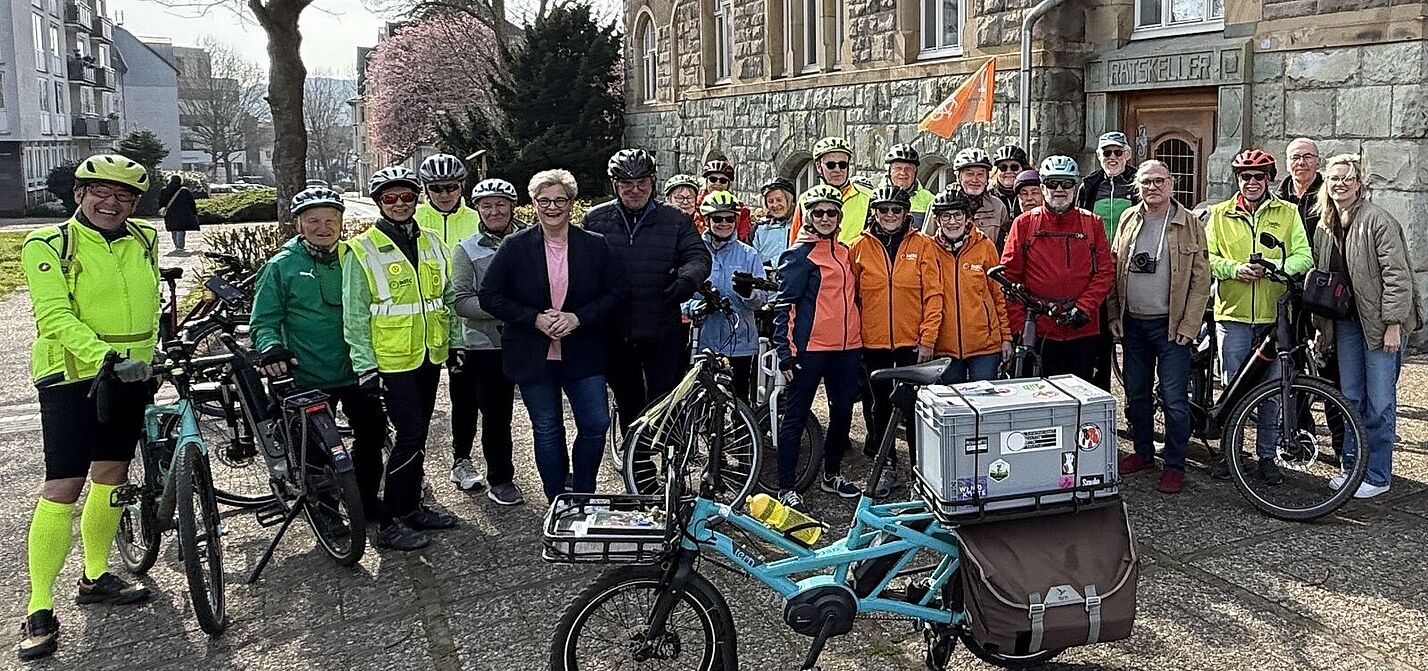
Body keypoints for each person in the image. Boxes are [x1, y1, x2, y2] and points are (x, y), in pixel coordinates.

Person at [16, 154, 158, 661]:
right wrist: (107, 358)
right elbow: (54, 316)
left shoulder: (145, 238)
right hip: (72, 376)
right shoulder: (49, 243)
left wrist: (148, 358)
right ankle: (38, 606)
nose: (111, 202)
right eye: (100, 191)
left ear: (135, 204)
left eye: (123, 195)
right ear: (78, 195)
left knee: (113, 474)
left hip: (131, 376)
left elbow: (149, 305)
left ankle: (95, 576)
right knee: (63, 484)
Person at [479, 170, 627, 500]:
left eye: (560, 200)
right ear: (533, 204)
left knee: (596, 423)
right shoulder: (515, 246)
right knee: (547, 430)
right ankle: (557, 499)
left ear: (571, 204)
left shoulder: (595, 245)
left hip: (583, 351)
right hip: (534, 354)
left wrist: (578, 317)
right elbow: (490, 295)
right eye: (544, 201)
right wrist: (533, 319)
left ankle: (584, 495)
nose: (552, 207)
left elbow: (617, 293)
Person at [250, 187, 390, 519]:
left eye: (331, 220)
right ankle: (325, 513)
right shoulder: (281, 266)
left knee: (372, 434)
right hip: (305, 373)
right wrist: (271, 348)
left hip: (355, 368)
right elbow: (265, 320)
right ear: (299, 224)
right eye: (313, 220)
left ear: (342, 222)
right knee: (312, 450)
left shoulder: (355, 257)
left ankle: (365, 499)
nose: (323, 228)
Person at [342, 166, 462, 551]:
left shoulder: (430, 242)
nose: (399, 204)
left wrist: (454, 344)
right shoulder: (361, 249)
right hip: (389, 361)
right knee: (408, 435)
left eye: (406, 197)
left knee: (419, 434)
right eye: (390, 198)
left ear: (416, 200)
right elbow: (355, 314)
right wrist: (365, 367)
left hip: (428, 355)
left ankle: (411, 508)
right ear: (378, 202)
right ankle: (391, 521)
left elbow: (445, 298)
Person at [1311, 154, 1422, 499]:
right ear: (1325, 184)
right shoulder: (1325, 224)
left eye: (1347, 178)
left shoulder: (1378, 221)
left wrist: (1393, 325)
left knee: (1380, 403)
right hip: (1347, 325)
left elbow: (1398, 277)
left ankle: (1377, 473)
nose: (1340, 184)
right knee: (1351, 399)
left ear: (1359, 183)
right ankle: (1352, 468)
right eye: (1333, 178)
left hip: (1379, 326)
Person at [1204, 149, 1313, 483]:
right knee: (1234, 388)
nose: (1251, 182)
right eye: (1245, 176)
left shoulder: (1288, 212)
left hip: (1274, 317)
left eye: (1258, 176)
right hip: (1233, 315)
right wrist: (1235, 269)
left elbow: (1304, 256)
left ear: (1269, 179)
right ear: (1237, 179)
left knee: (1272, 389)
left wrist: (1275, 268)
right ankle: (1231, 454)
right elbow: (1209, 258)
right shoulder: (1220, 214)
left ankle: (1267, 457)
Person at [583, 149, 711, 432]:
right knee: (629, 400)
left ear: (653, 181)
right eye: (627, 184)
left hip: (662, 322)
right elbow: (579, 267)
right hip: (616, 328)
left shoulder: (675, 219)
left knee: (665, 397)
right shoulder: (595, 219)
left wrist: (687, 281)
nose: (635, 190)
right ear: (614, 184)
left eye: (642, 182)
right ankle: (639, 468)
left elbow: (698, 256)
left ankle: (667, 456)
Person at [1105, 161, 1211, 495]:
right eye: (1146, 182)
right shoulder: (1128, 218)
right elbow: (1114, 266)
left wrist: (1190, 324)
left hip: (1171, 327)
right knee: (1136, 394)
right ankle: (1143, 452)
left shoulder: (1189, 223)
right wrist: (1113, 313)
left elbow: (1200, 279)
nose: (1153, 187)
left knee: (1174, 399)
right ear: (1138, 186)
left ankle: (1175, 464)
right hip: (1133, 322)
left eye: (1160, 181)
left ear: (1172, 183)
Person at [771, 185, 866, 507]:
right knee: (796, 416)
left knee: (842, 413)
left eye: (832, 212)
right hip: (810, 349)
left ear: (840, 217)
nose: (826, 218)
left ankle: (832, 474)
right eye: (819, 212)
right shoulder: (799, 255)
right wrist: (786, 352)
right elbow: (784, 306)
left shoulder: (844, 252)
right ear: (808, 216)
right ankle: (786, 487)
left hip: (847, 347)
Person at [849, 184, 943, 495]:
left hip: (910, 341)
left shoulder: (924, 245)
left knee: (914, 405)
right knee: (877, 406)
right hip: (871, 341)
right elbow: (852, 298)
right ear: (873, 212)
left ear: (906, 213)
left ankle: (921, 469)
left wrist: (927, 340)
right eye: (883, 209)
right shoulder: (857, 248)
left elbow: (934, 295)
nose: (890, 215)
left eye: (896, 210)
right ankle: (885, 463)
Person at [999, 156, 1114, 382]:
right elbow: (1008, 278)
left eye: (1066, 183)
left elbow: (1104, 272)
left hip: (1082, 326)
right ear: (1042, 187)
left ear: (1075, 186)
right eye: (1052, 183)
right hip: (1039, 328)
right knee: (1039, 398)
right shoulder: (1024, 224)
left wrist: (1084, 307)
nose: (1059, 189)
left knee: (1082, 397)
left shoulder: (1092, 223)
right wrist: (1020, 324)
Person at [451, 179, 528, 506]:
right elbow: (462, 301)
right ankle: (501, 478)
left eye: (500, 204)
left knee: (547, 413)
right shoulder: (466, 248)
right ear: (477, 209)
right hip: (486, 345)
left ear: (512, 206)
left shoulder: (532, 241)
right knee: (497, 416)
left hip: (531, 340)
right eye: (486, 206)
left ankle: (557, 474)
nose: (494, 211)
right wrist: (510, 309)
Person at [412, 153, 486, 492]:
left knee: (465, 397)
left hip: (464, 327)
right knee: (418, 405)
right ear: (426, 189)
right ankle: (414, 466)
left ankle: (461, 459)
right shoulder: (412, 218)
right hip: (423, 328)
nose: (445, 194)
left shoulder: (477, 218)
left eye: (452, 187)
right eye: (437, 188)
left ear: (462, 187)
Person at [684, 191, 769, 399]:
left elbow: (762, 301)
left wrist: (748, 294)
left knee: (738, 401)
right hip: (704, 341)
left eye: (730, 218)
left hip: (740, 344)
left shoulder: (749, 254)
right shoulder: (693, 252)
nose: (724, 223)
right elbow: (678, 295)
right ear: (707, 220)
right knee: (701, 400)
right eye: (718, 218)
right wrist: (694, 308)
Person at [928, 188, 1010, 383]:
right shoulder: (928, 249)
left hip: (985, 345)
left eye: (958, 215)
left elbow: (997, 294)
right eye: (945, 216)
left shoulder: (984, 245)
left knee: (985, 402)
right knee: (952, 406)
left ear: (967, 218)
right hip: (944, 346)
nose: (952, 221)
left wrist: (1006, 337)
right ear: (937, 221)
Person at [1078, 132, 1138, 392]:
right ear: (1099, 156)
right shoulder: (1089, 185)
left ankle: (1135, 407)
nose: (1112, 158)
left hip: (1132, 270)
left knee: (1135, 345)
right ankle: (1100, 398)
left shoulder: (1140, 182)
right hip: (1097, 270)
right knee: (1099, 343)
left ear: (1127, 154)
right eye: (1106, 153)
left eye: (1117, 152)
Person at [786, 136, 875, 245]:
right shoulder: (805, 200)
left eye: (843, 165)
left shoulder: (868, 196)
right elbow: (795, 242)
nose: (838, 170)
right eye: (831, 165)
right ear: (819, 167)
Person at [926, 148, 1012, 251]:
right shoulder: (939, 204)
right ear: (958, 176)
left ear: (987, 178)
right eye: (969, 174)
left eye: (980, 174)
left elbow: (1004, 248)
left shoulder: (997, 207)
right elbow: (926, 244)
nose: (975, 180)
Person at [1279, 138, 1324, 241]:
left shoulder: (1329, 196)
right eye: (1295, 157)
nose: (1301, 162)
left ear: (1318, 162)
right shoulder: (1275, 200)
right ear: (1287, 164)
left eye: (1308, 157)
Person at [880, 144, 934, 229]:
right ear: (889, 171)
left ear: (915, 172)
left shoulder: (930, 200)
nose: (903, 173)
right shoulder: (872, 197)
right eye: (898, 168)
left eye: (908, 169)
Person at [698, 160, 753, 241]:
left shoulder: (740, 209)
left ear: (729, 184)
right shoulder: (695, 205)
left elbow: (743, 237)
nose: (718, 184)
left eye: (723, 180)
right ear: (706, 182)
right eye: (713, 179)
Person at [751, 177, 796, 266]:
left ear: (790, 200)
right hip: (764, 277)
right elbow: (750, 257)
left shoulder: (800, 225)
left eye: (779, 200)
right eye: (770, 201)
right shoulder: (760, 228)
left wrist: (772, 263)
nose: (775, 205)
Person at [158, 174, 198, 253]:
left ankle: (176, 245)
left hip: (170, 213)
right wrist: (194, 212)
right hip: (182, 213)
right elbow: (191, 203)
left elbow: (161, 202)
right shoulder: (184, 190)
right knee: (180, 229)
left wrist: (162, 209)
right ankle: (180, 246)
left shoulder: (164, 190)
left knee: (173, 228)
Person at [989, 145, 1030, 215]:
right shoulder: (988, 195)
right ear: (996, 171)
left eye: (1014, 167)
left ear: (1023, 169)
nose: (1008, 171)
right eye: (1003, 167)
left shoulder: (1031, 193)